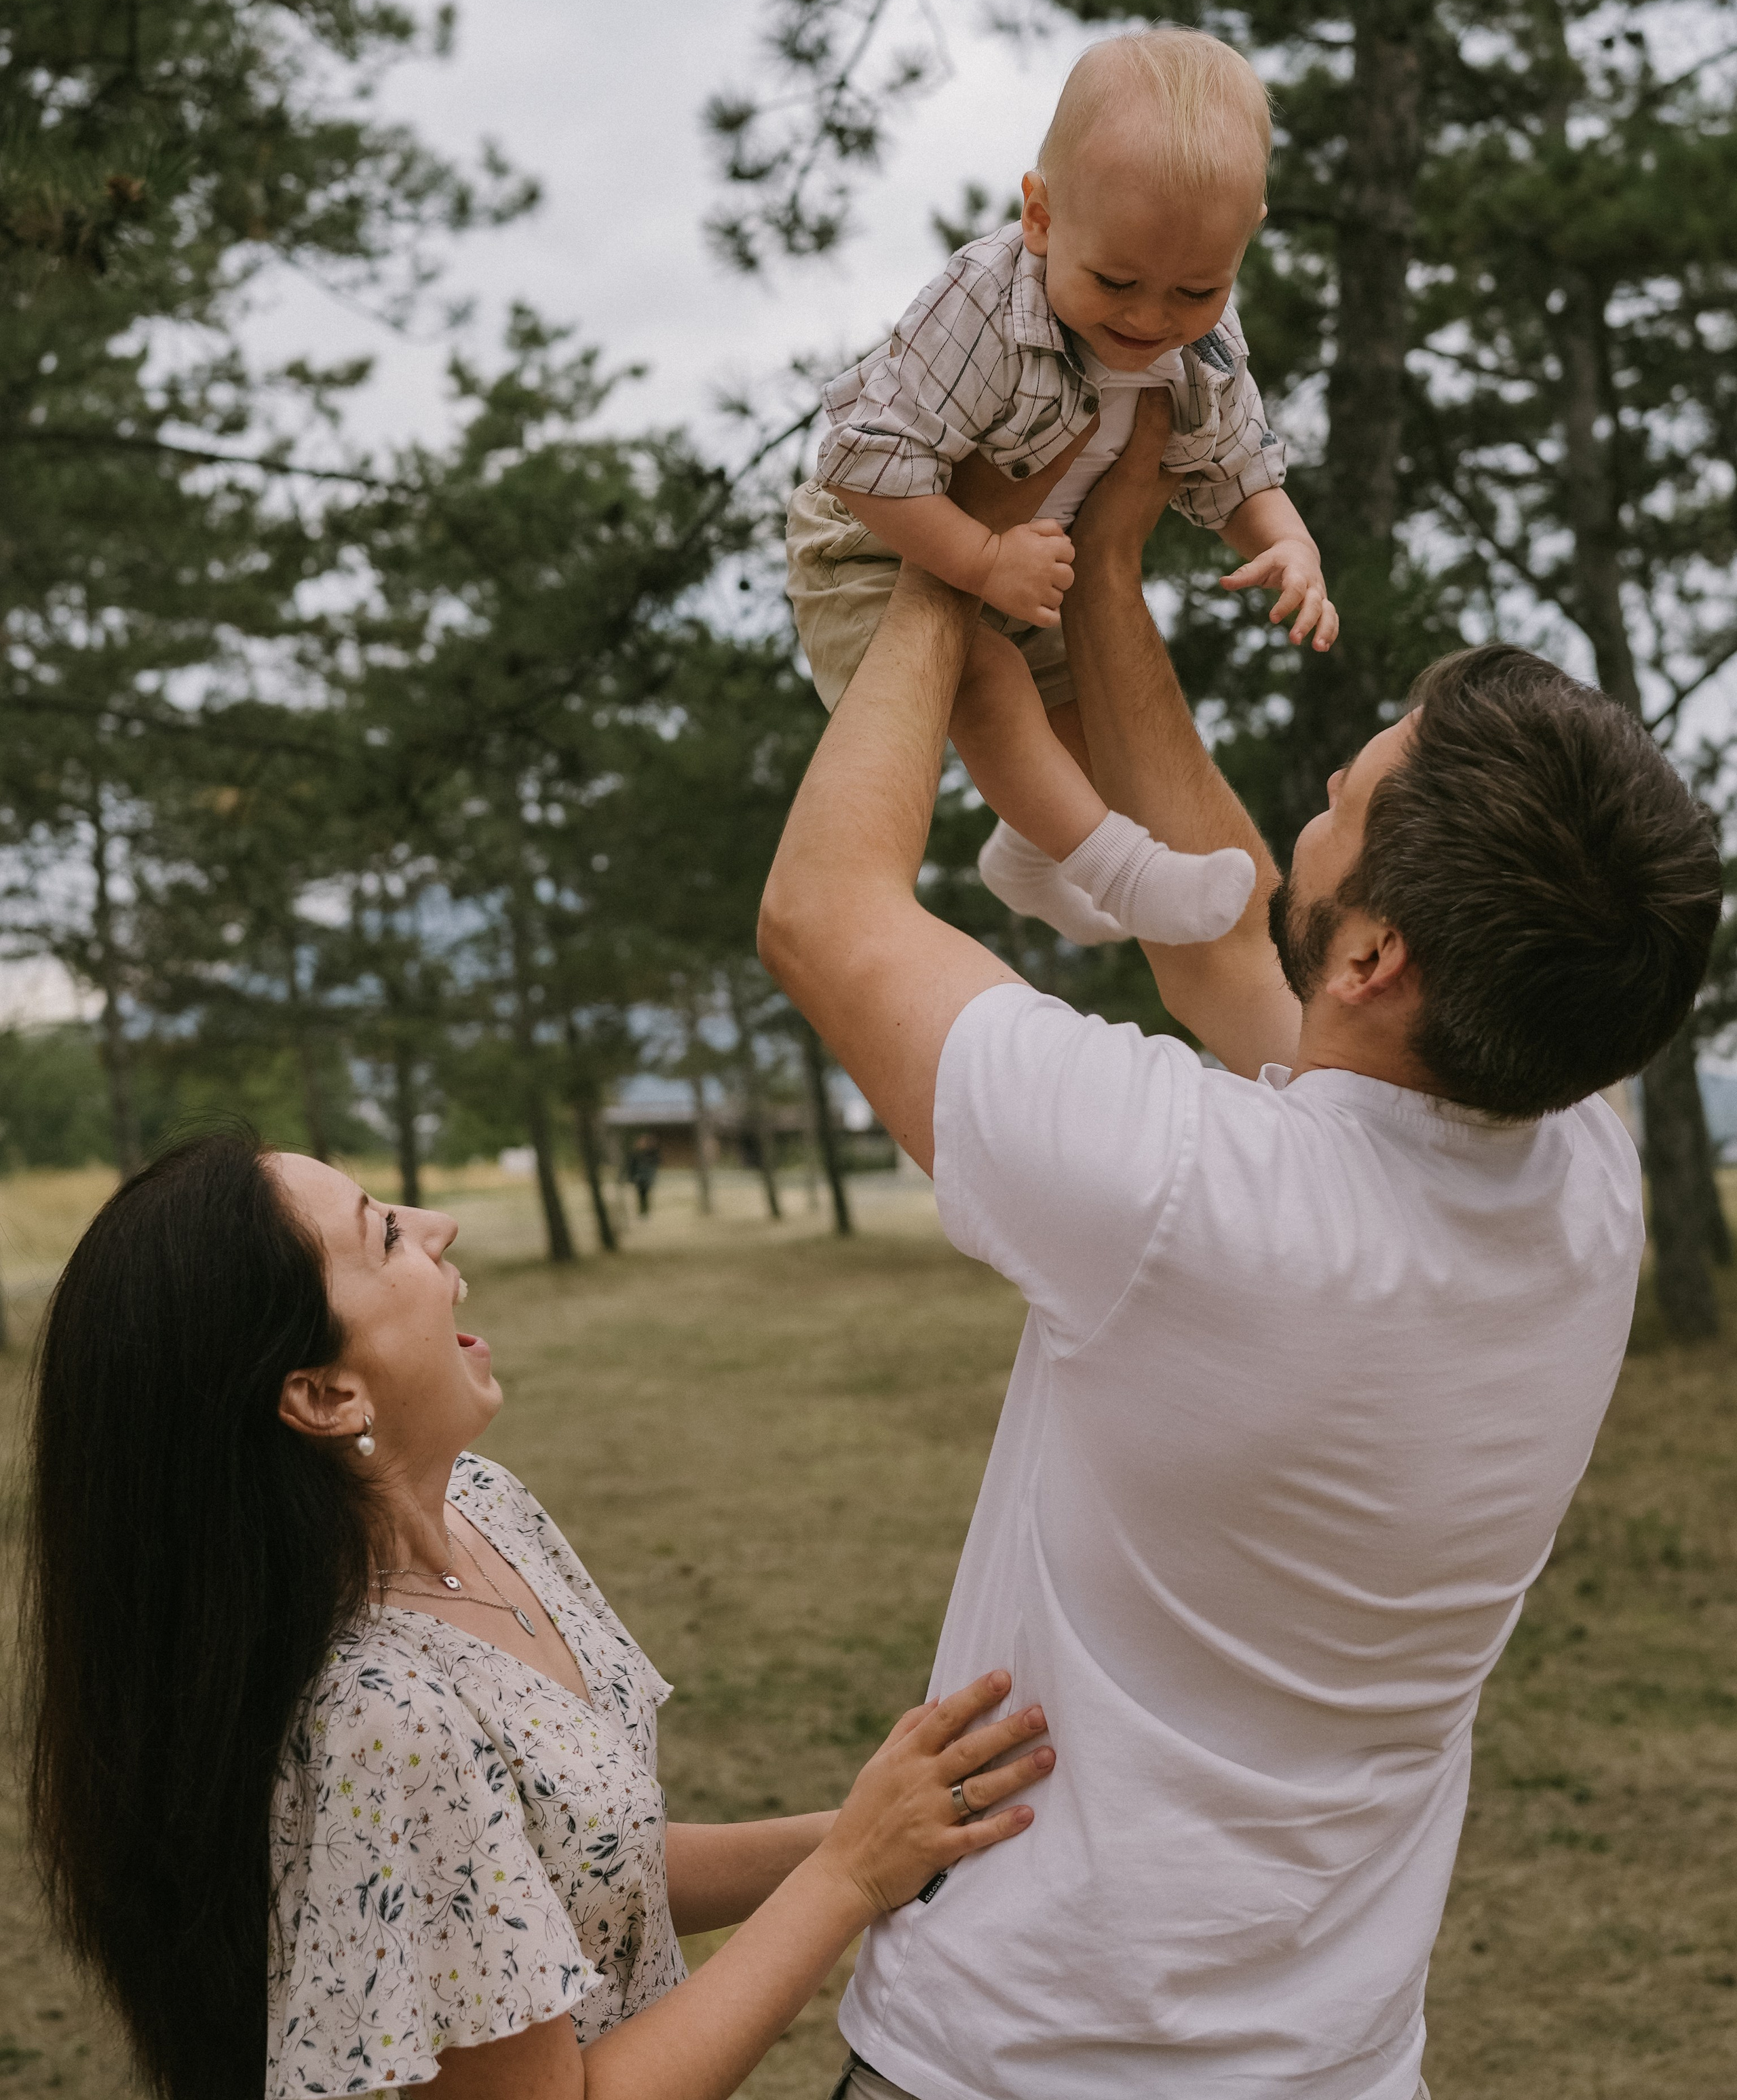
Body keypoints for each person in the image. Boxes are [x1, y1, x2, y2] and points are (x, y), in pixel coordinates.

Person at [758, 388, 1722, 2100]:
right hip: (1332, 2065)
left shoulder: (1181, 1199)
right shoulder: (1579, 1177)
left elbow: (827, 917)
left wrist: (939, 541)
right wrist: (1107, 571)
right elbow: (1228, 933)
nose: (1323, 786)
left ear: (1373, 965)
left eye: (1348, 797)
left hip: (1014, 2062)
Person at [22, 1136, 1054, 2099]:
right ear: (327, 1395)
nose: (437, 1224)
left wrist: (868, 1827)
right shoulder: (381, 1717)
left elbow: (582, 1876)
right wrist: (848, 1873)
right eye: (384, 1232)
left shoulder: (489, 1508)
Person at [786, 24, 1337, 953]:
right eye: (1116, 279)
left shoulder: (1204, 342)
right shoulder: (981, 304)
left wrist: (1286, 540)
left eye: (1195, 291)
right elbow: (862, 462)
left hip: (1028, 568)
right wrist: (982, 557)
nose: (1151, 318)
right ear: (1040, 217)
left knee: (1088, 710)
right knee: (987, 676)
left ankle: (1027, 857)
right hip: (874, 552)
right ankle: (1121, 869)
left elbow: (1234, 462)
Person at [626, 1128, 661, 1215]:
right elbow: (631, 1166)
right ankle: (642, 1211)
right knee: (640, 1194)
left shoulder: (651, 1153)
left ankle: (646, 1211)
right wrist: (632, 1177)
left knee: (646, 1194)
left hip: (647, 1177)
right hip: (639, 1177)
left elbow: (656, 1161)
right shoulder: (635, 1154)